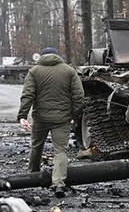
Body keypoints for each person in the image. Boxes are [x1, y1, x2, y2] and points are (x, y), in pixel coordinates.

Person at [17, 47, 84, 197]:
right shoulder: (69, 71)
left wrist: (22, 116)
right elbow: (79, 95)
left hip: (40, 118)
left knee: (36, 146)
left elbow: (28, 95)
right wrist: (75, 114)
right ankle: (59, 183)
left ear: (41, 56)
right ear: (57, 56)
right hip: (62, 119)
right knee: (60, 151)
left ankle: (33, 175)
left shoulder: (34, 71)